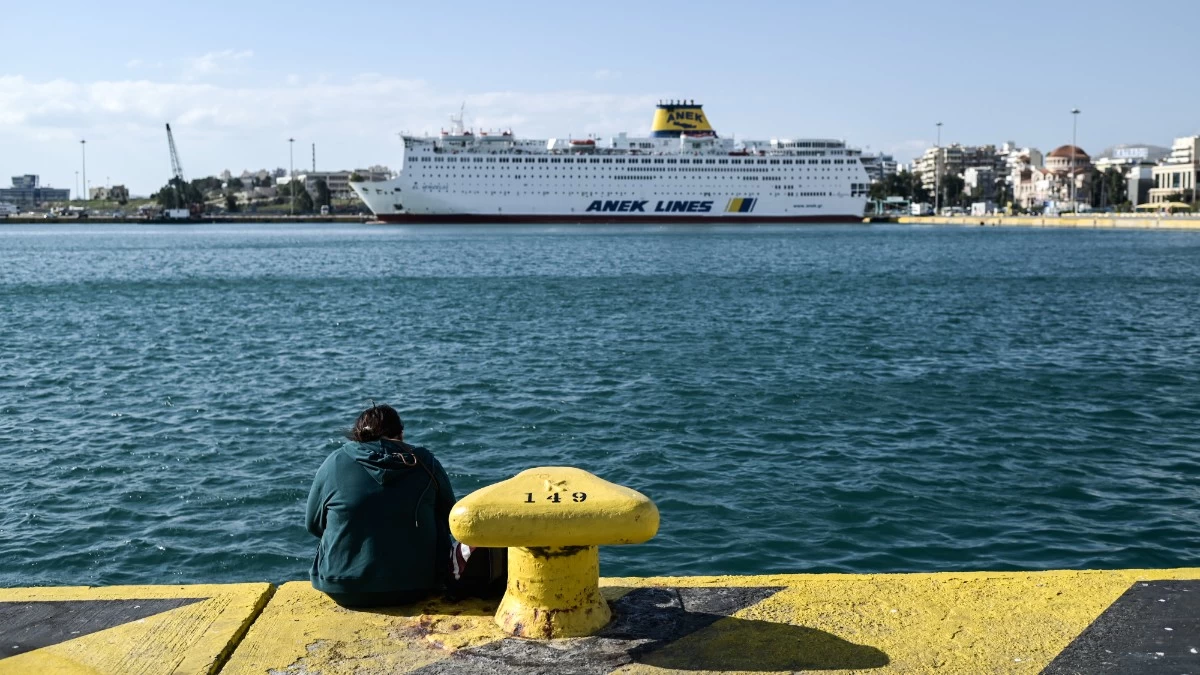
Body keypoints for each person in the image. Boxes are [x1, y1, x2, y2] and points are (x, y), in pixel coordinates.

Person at [306, 404, 456, 607]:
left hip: (343, 589)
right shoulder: (425, 463)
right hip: (417, 586)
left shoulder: (334, 462)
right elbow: (450, 519)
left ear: (358, 435)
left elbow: (314, 525)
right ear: (401, 434)